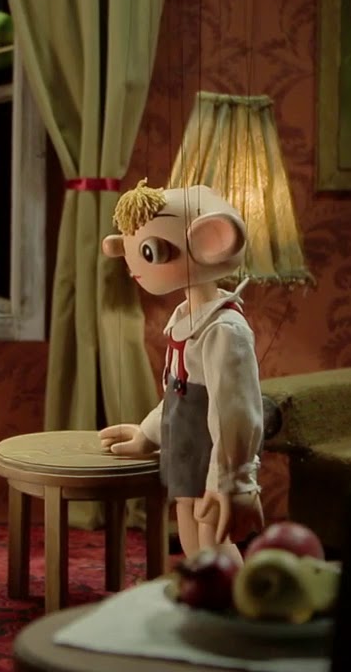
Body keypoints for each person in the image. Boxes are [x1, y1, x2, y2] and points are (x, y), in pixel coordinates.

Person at [97, 179, 265, 564]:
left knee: (213, 539)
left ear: (212, 241)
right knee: (190, 534)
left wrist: (233, 479)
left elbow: (236, 412)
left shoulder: (224, 330)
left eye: (148, 251)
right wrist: (148, 433)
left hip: (213, 460)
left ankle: (236, 596)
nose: (132, 265)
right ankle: (209, 593)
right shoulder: (185, 319)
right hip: (187, 452)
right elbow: (178, 393)